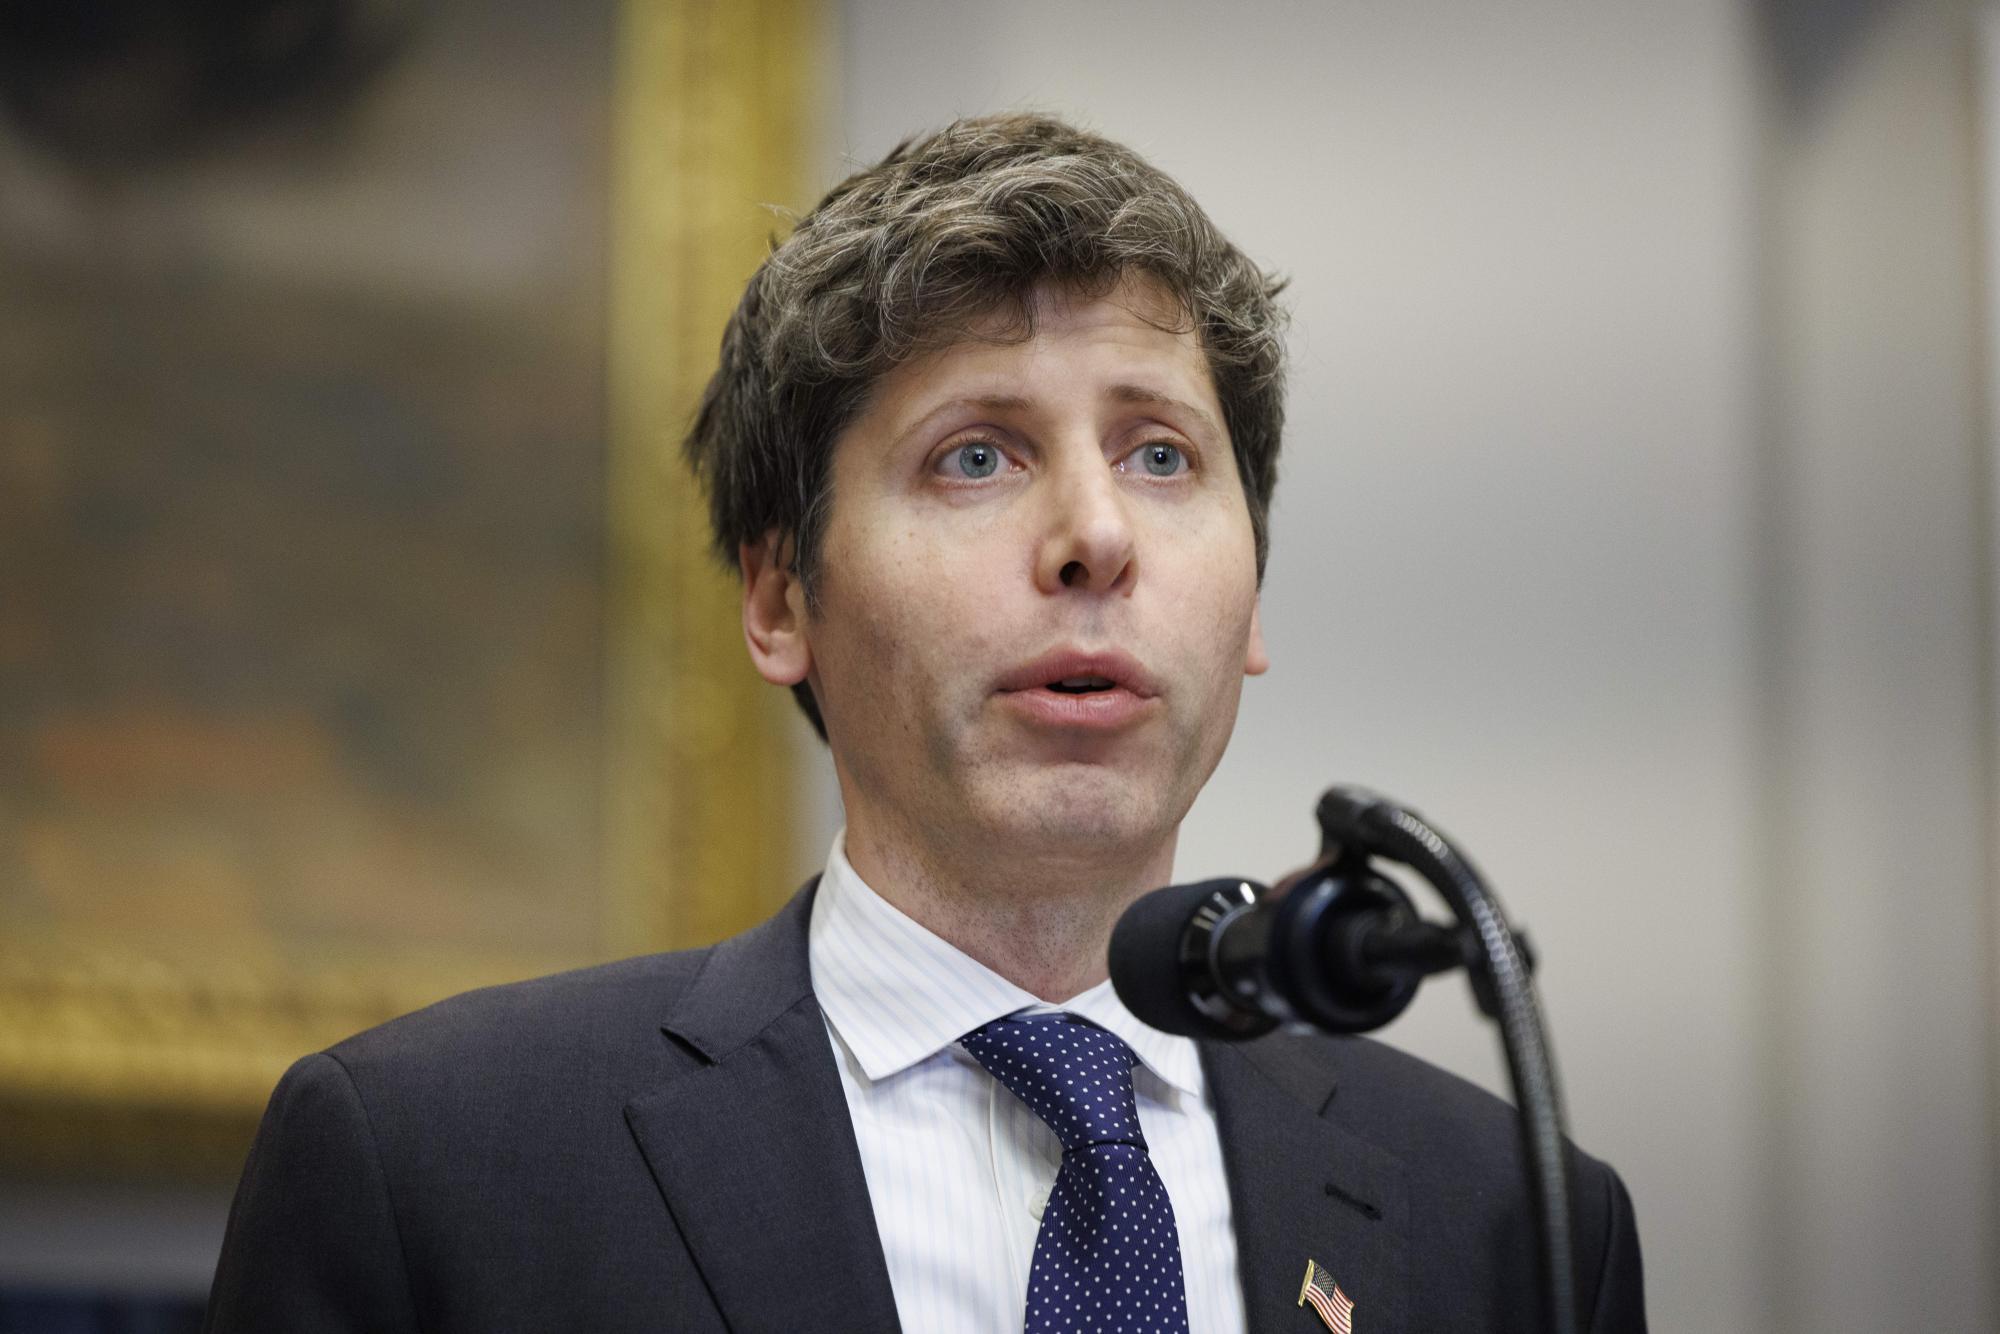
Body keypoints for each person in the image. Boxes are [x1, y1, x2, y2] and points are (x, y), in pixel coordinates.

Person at [203, 113, 1646, 1333]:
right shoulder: (429, 1165)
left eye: (1161, 454)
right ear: (780, 599)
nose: (1095, 536)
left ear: (1252, 595)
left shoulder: (1512, 1221)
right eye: (976, 455)